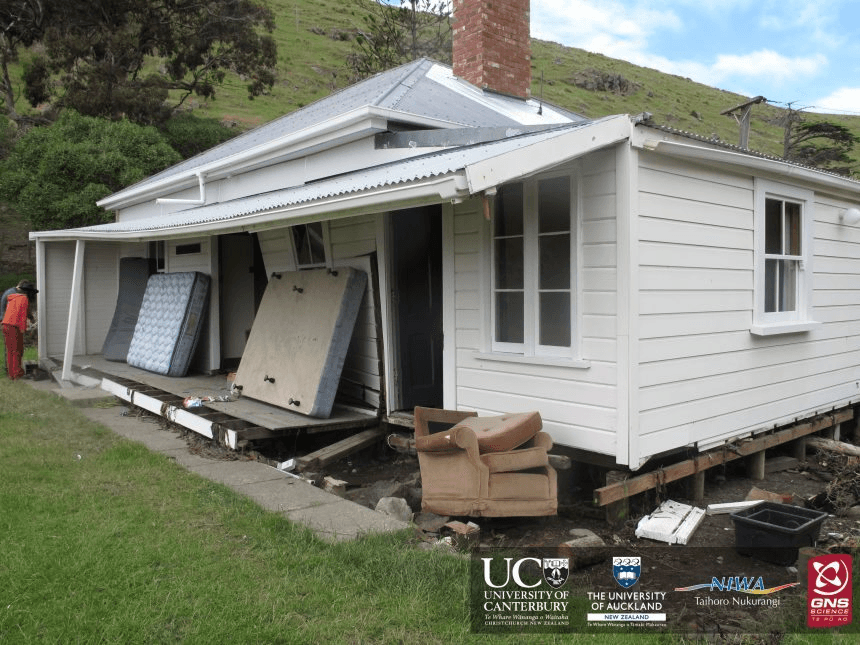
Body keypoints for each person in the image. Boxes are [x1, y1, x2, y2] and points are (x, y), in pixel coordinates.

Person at [2, 280, 38, 380]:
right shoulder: (24, 299)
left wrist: (31, 318)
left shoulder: (14, 297)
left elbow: (22, 311)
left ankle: (12, 374)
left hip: (6, 325)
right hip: (14, 327)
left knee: (10, 351)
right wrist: (23, 329)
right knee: (17, 350)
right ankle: (17, 374)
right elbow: (22, 316)